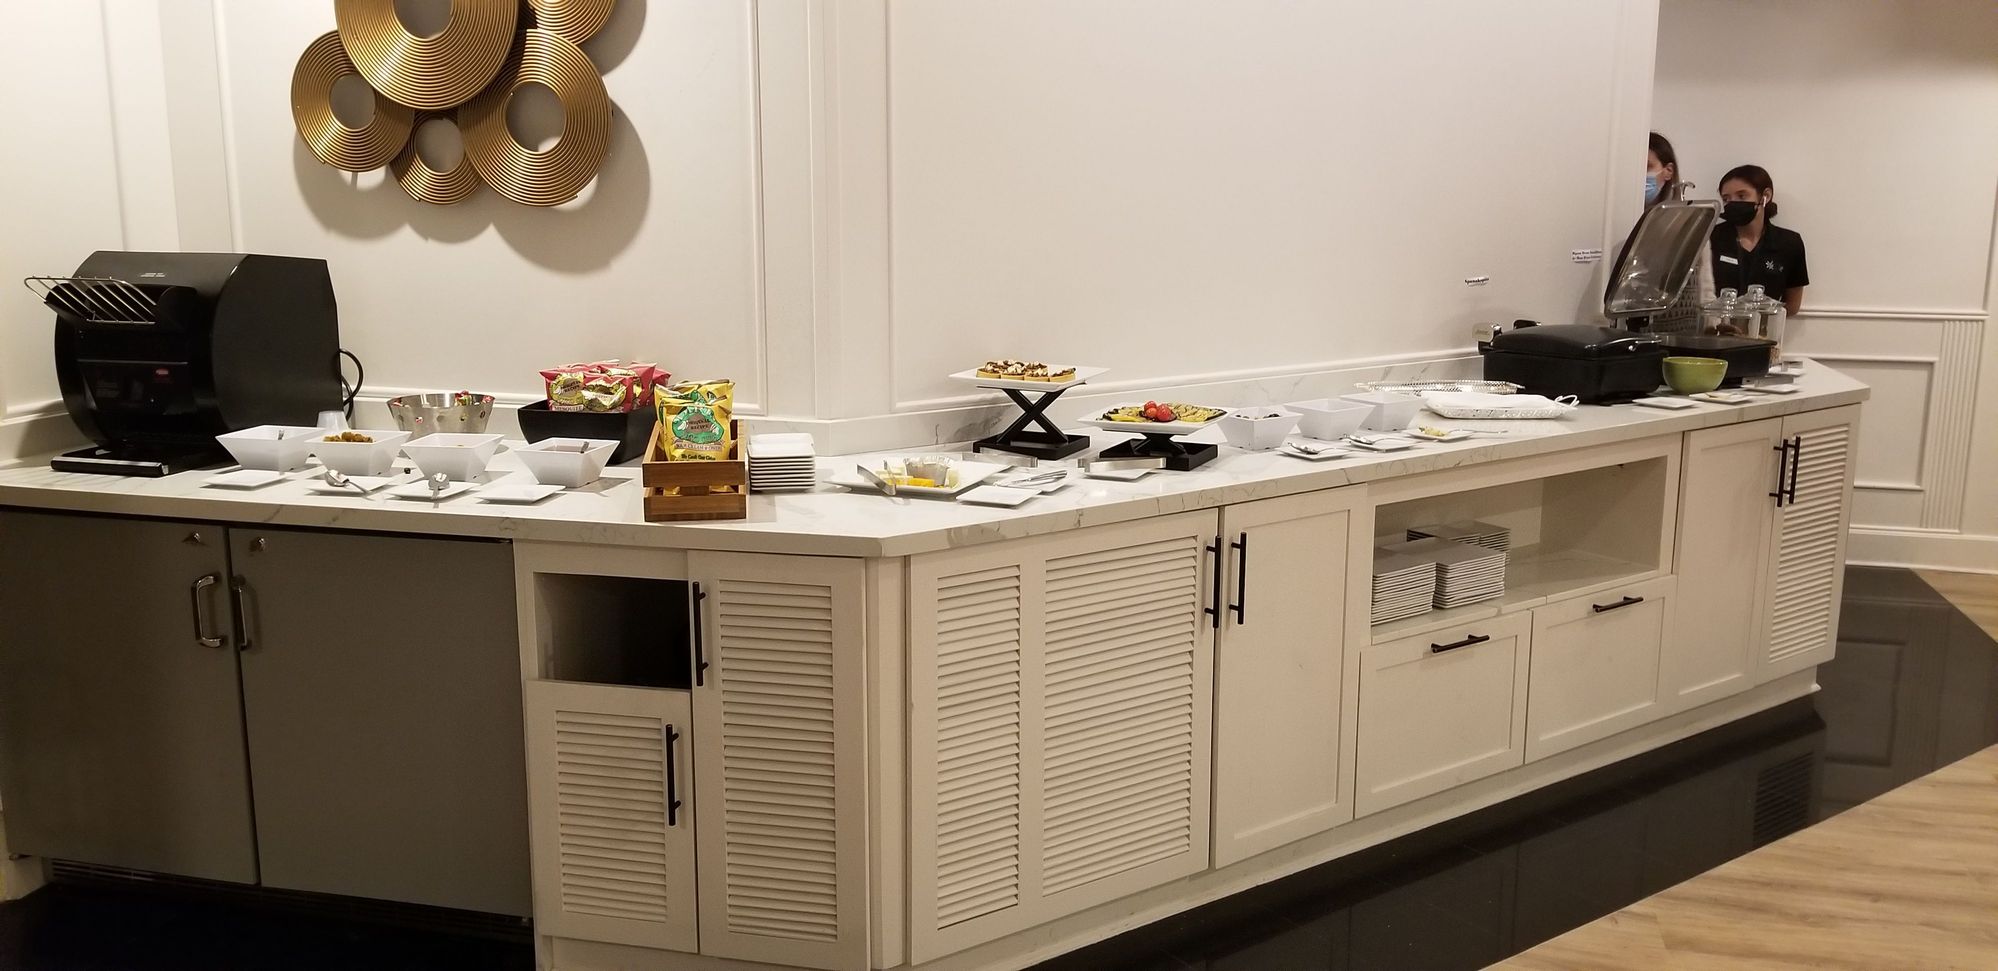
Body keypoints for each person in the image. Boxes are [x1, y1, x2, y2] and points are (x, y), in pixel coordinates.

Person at [1635, 132, 1712, 334]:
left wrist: (1712, 327)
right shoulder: (1617, 223)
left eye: (1647, 166)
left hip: (1683, 335)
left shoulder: (1691, 221)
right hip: (1631, 333)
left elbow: (1705, 287)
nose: (1638, 175)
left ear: (1668, 171)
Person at [1710, 164, 1808, 316]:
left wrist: (1761, 320)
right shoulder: (1710, 238)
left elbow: (1792, 305)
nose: (1733, 203)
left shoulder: (1789, 243)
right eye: (1726, 199)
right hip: (1717, 327)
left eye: (1742, 196)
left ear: (1765, 196)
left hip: (1766, 329)